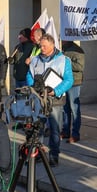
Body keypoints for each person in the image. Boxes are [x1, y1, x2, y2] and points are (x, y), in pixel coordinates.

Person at [26, 33, 74, 167]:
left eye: (44, 46)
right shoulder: (35, 59)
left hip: (55, 100)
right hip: (38, 99)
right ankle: (37, 153)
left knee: (55, 129)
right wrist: (33, 88)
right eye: (40, 46)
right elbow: (29, 75)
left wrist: (56, 91)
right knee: (37, 128)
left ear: (52, 45)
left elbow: (69, 80)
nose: (42, 48)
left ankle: (54, 155)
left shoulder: (64, 60)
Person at [61, 40, 85, 143]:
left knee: (74, 109)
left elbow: (80, 66)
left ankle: (75, 134)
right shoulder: (63, 49)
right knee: (65, 109)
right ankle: (65, 131)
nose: (61, 40)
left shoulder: (78, 50)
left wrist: (66, 63)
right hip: (64, 82)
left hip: (74, 82)